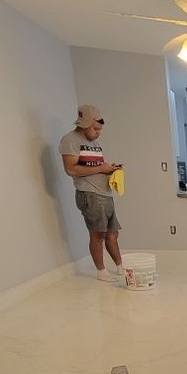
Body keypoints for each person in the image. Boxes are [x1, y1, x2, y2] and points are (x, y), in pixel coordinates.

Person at [59, 105, 123, 282]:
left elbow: (94, 166)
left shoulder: (94, 143)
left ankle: (120, 268)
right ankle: (101, 271)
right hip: (89, 194)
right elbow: (71, 169)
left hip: (105, 193)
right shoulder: (70, 140)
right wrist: (102, 168)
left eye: (100, 129)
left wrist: (109, 169)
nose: (98, 133)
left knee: (113, 233)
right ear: (85, 124)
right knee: (98, 234)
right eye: (95, 129)